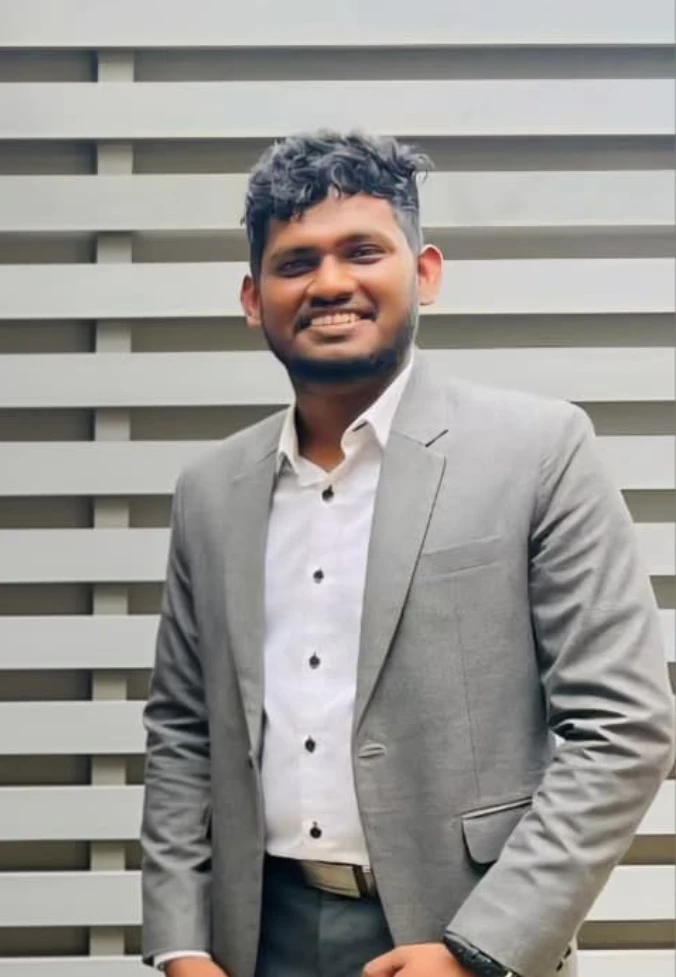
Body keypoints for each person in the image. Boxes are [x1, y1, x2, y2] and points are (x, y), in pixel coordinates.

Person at [140, 131, 674, 977]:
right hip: (252, 941)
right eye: (295, 262)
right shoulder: (210, 491)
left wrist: (482, 950)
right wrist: (181, 943)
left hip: (457, 932)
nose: (330, 283)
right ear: (252, 297)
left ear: (424, 272)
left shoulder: (539, 450)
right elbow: (182, 729)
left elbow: (624, 726)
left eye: (362, 251)